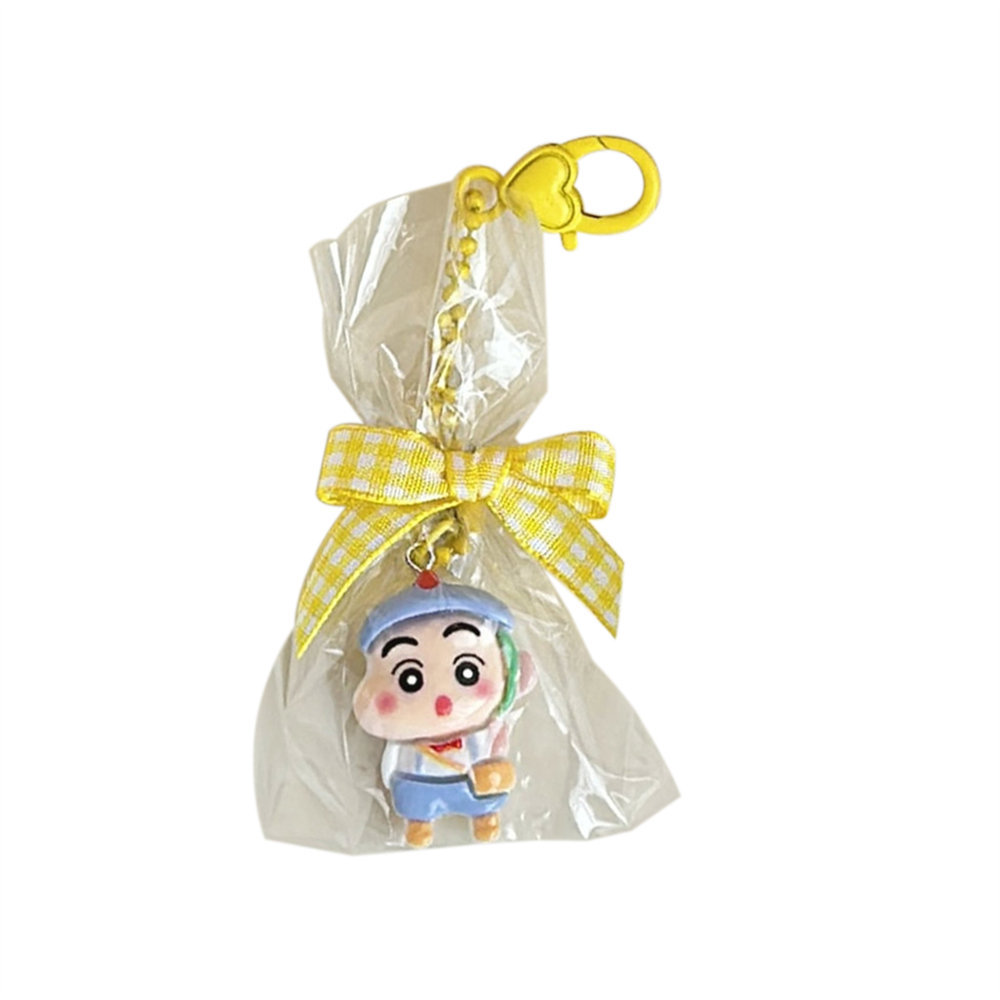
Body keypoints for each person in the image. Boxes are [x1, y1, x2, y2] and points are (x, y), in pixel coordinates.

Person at [353, 570, 533, 847]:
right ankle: (419, 824)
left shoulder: (483, 731)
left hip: (472, 783)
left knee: (483, 799)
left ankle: (485, 818)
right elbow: (390, 768)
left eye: (467, 672)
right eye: (409, 679)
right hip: (418, 784)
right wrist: (390, 778)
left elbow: (498, 751)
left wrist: (497, 766)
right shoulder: (403, 745)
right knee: (415, 803)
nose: (444, 703)